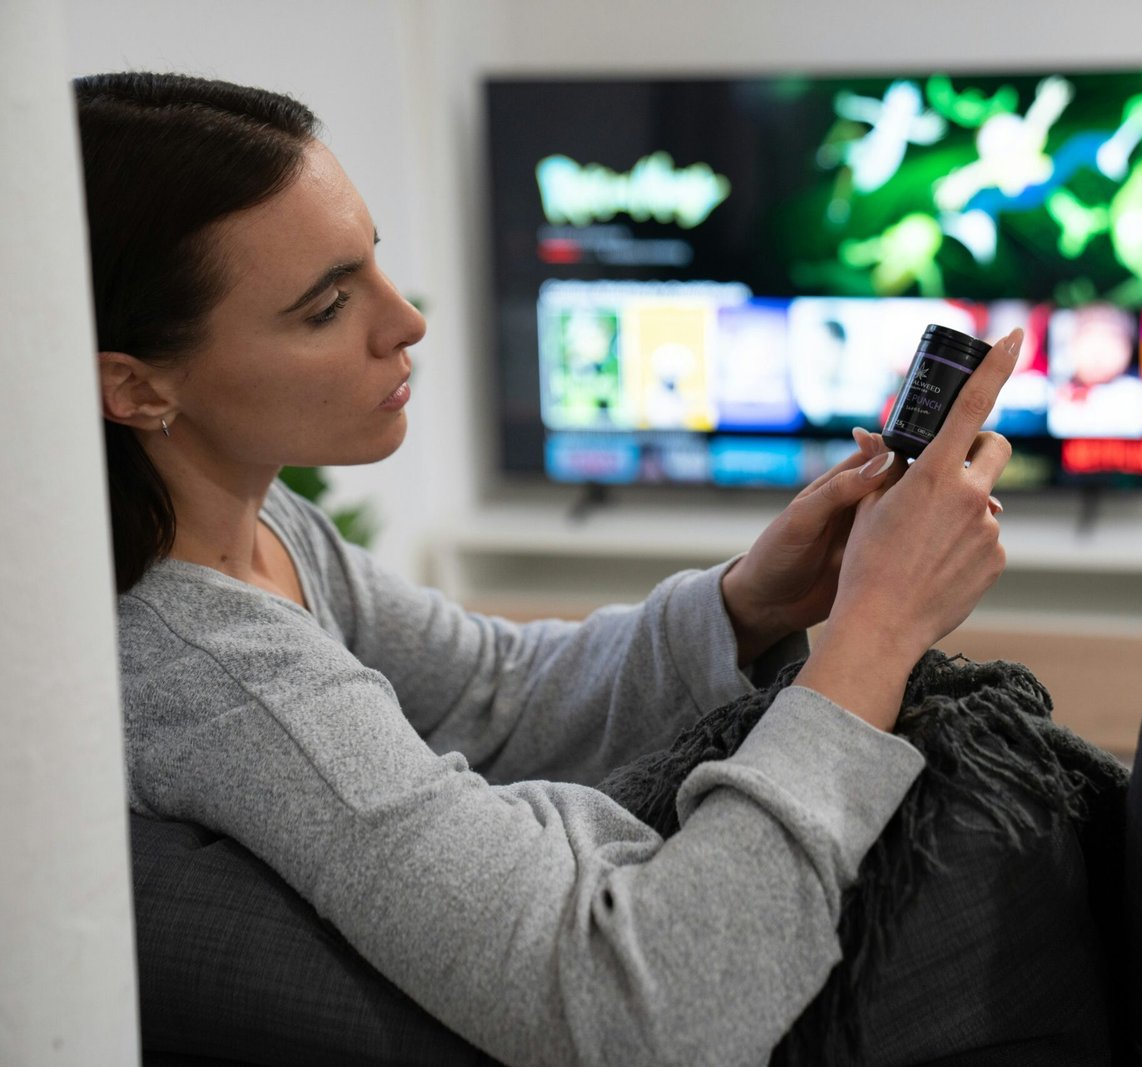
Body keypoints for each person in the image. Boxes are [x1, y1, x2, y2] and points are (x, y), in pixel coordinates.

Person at [82, 73, 1021, 1066]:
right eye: (325, 306)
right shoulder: (222, 683)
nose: (405, 322)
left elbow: (489, 692)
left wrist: (749, 602)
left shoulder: (260, 522)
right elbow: (654, 1006)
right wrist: (876, 631)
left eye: (373, 265)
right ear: (136, 386)